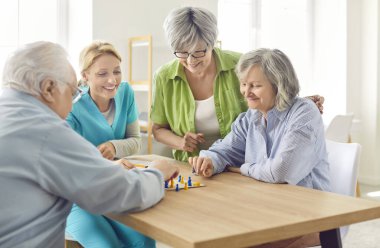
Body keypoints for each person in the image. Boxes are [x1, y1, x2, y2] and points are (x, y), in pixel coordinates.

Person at [0, 41, 179, 248]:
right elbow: (119, 192)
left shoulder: (10, 112)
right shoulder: (47, 132)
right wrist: (157, 172)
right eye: (72, 93)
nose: (72, 103)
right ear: (49, 88)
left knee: (141, 238)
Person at [189, 48, 330, 248]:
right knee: (211, 230)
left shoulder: (304, 113)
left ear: (278, 86)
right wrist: (210, 159)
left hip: (309, 217)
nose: (246, 92)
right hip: (266, 208)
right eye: (244, 84)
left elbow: (281, 172)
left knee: (231, 242)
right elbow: (225, 150)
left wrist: (244, 168)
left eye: (255, 85)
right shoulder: (251, 117)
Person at [151, 6, 324, 162]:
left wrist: (294, 105)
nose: (190, 61)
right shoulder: (164, 77)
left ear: (212, 44)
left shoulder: (240, 65)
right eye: (182, 53)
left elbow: (268, 100)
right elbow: (158, 129)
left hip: (240, 163)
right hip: (193, 164)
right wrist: (181, 142)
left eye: (198, 52)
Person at [65, 41, 155, 248]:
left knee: (145, 241)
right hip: (76, 195)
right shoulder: (71, 105)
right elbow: (66, 160)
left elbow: (135, 141)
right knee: (106, 245)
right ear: (85, 76)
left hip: (114, 190)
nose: (112, 80)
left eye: (116, 71)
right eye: (102, 74)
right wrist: (109, 164)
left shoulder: (125, 93)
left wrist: (115, 147)